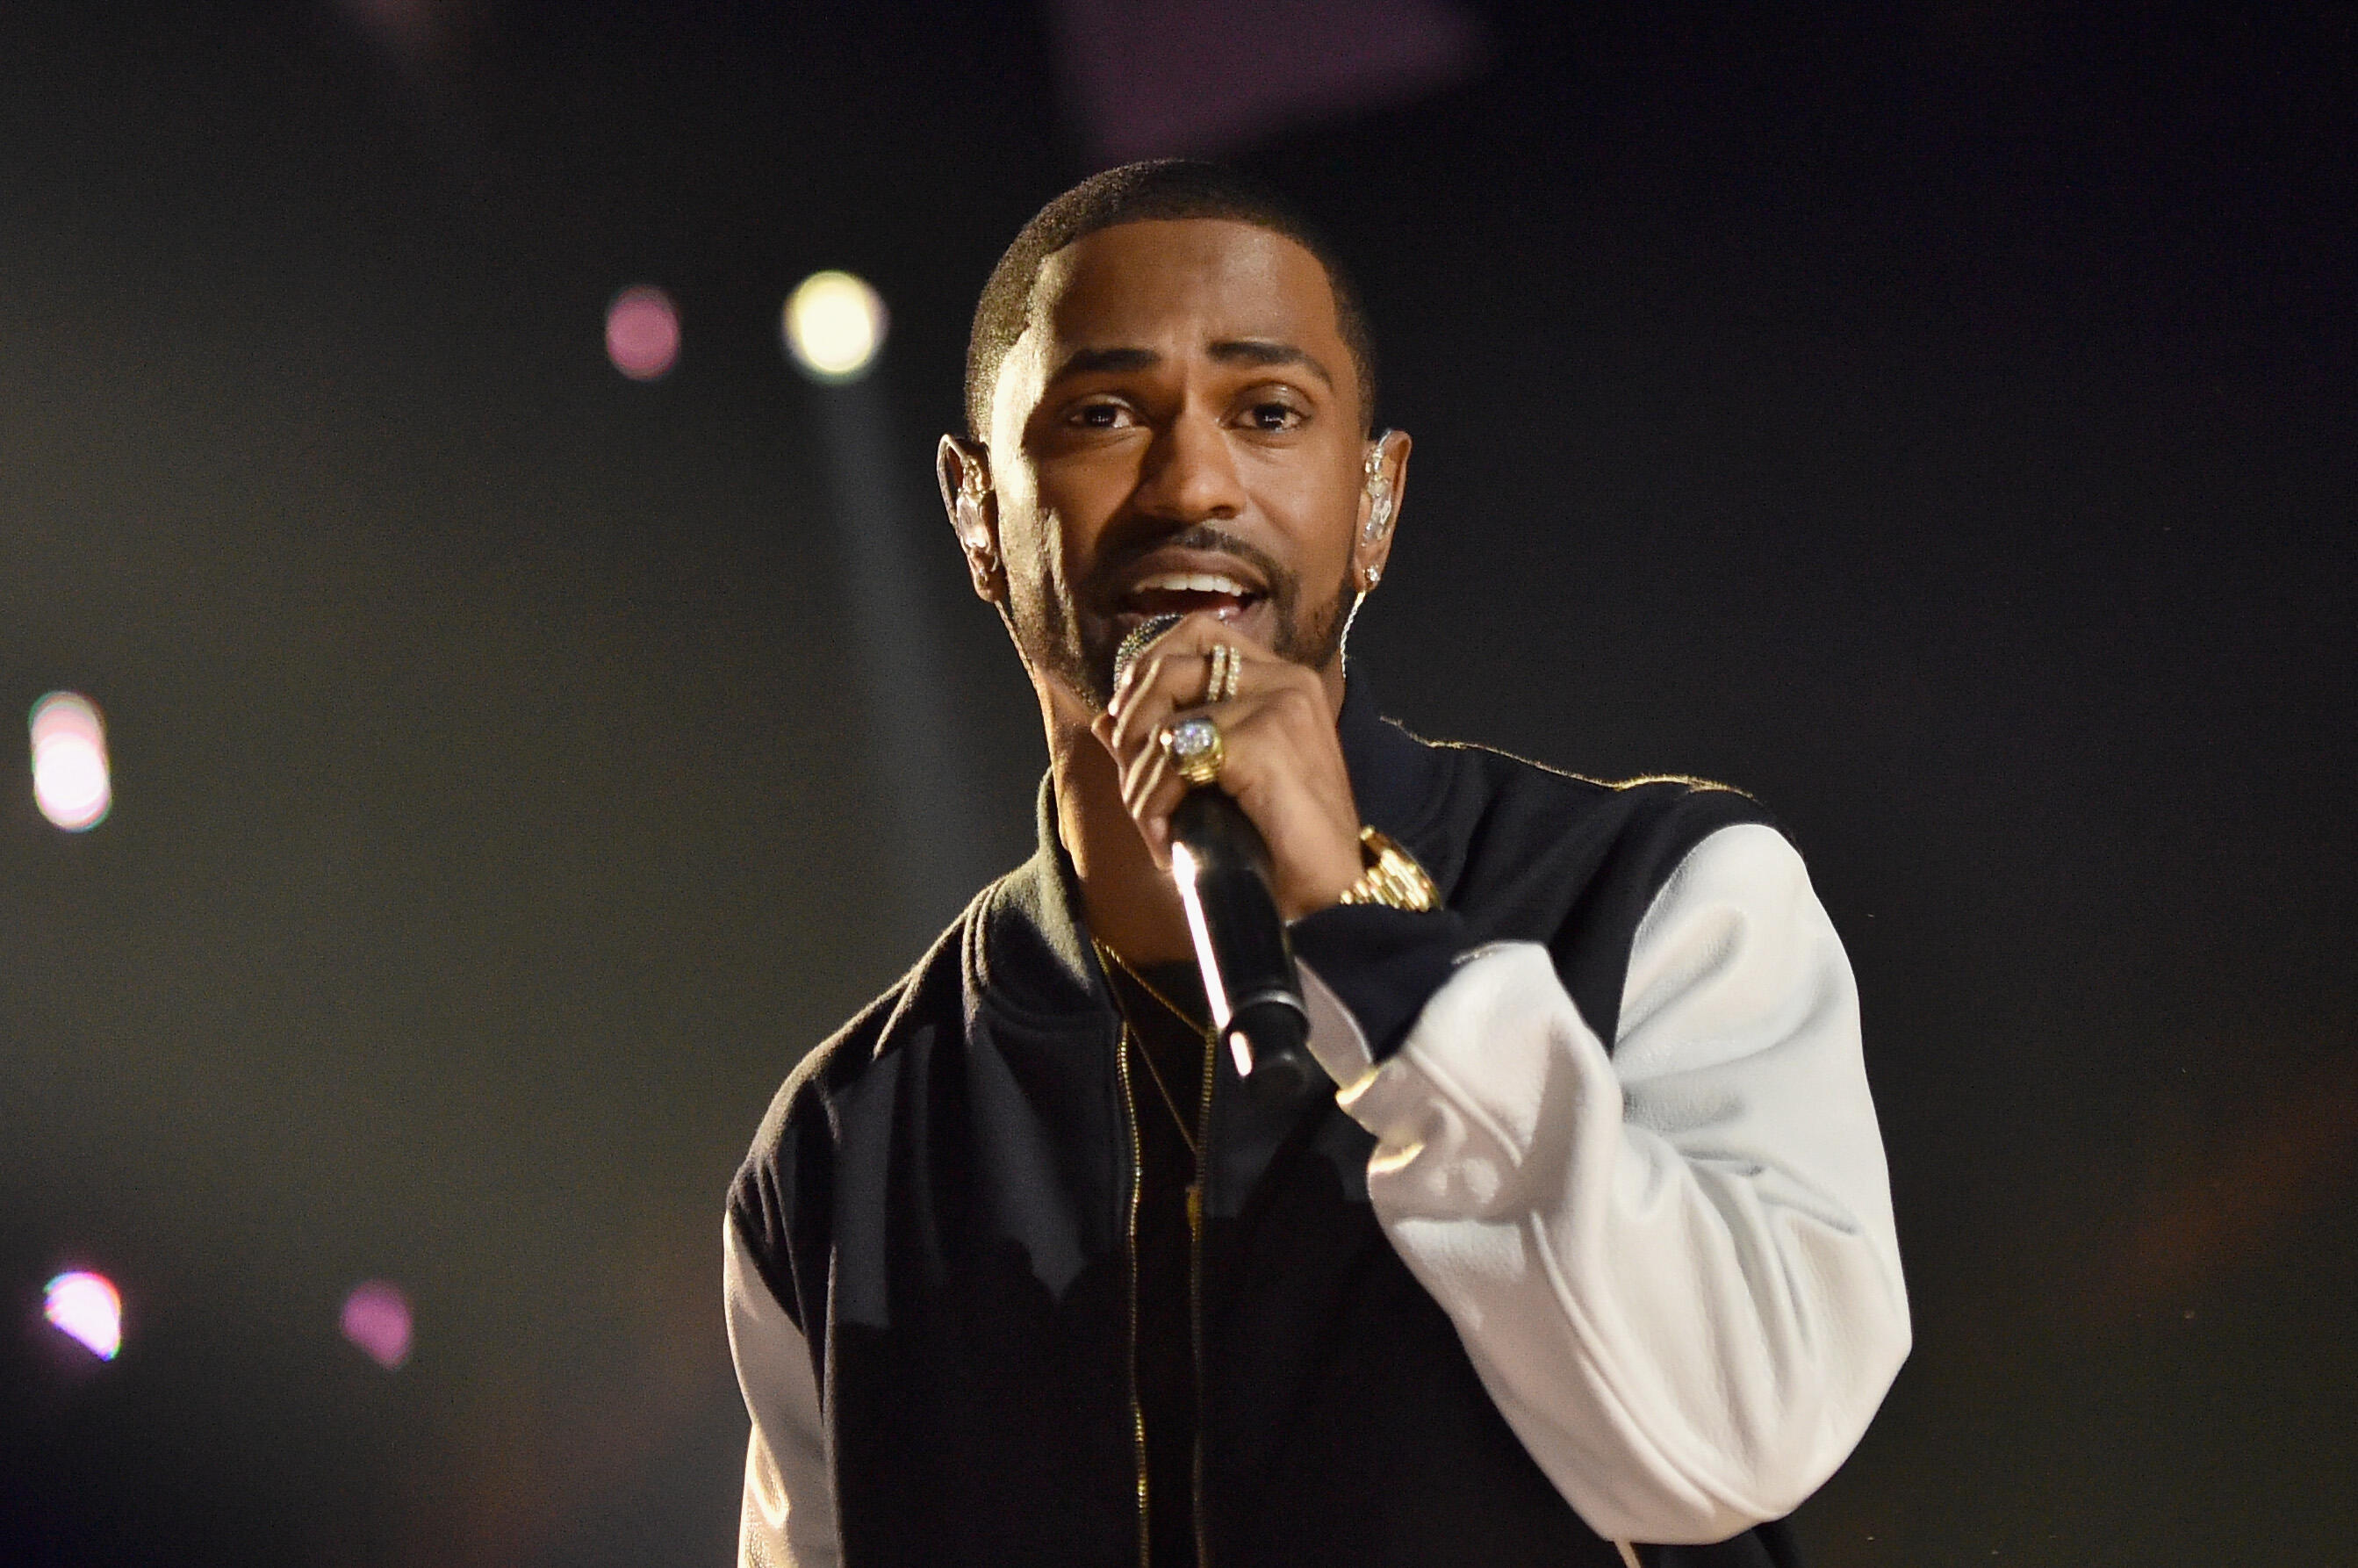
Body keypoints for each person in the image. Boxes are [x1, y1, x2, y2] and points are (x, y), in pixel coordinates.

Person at [724, 160, 1909, 1568]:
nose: (1191, 481)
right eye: (1103, 413)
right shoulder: (847, 1145)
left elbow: (1733, 1436)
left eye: (1266, 411)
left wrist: (1369, 937)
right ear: (977, 515)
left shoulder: (1667, 900)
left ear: (1376, 502)